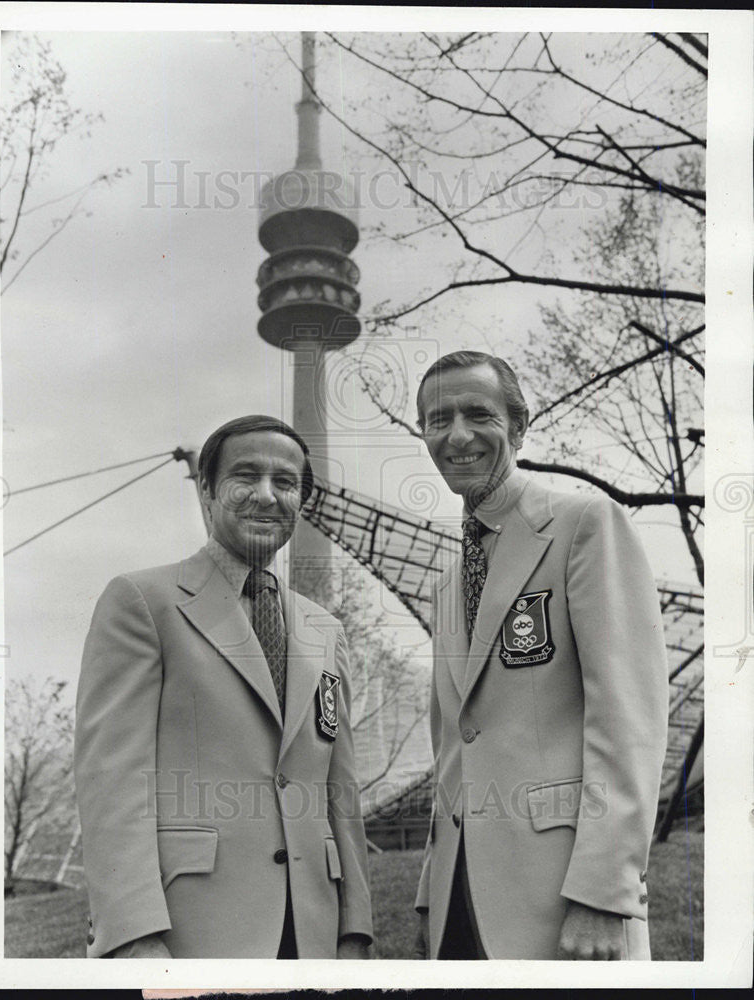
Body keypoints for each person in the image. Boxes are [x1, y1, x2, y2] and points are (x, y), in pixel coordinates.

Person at [75, 415, 372, 959]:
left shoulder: (325, 630)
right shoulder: (144, 601)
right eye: (245, 477)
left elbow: (339, 791)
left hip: (314, 933)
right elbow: (111, 781)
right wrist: (132, 933)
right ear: (208, 491)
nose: (266, 495)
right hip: (191, 929)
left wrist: (355, 928)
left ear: (300, 501)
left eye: (285, 483)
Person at [412, 351, 669, 960]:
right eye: (437, 419)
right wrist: (431, 891)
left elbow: (628, 720)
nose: (458, 434)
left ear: (520, 425)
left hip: (565, 900)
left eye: (479, 413)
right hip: (460, 898)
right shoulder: (447, 580)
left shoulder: (585, 525)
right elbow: (454, 743)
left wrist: (605, 893)